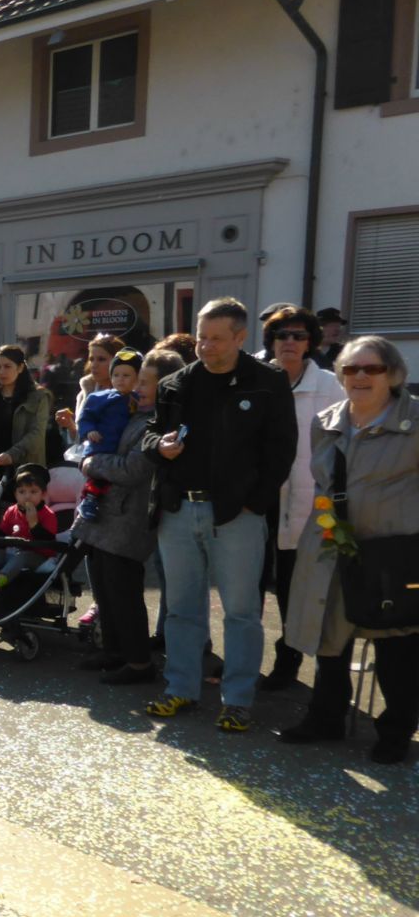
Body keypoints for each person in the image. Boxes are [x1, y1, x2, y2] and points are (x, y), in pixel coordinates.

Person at [142, 298, 298, 731]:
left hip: (236, 515)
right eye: (201, 337)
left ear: (240, 337)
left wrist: (255, 503)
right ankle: (180, 688)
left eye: (216, 339)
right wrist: (159, 447)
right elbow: (150, 433)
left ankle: (238, 700)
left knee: (241, 612)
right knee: (181, 610)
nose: (205, 347)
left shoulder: (268, 382)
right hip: (178, 510)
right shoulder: (176, 383)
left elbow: (282, 449)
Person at [277, 337, 418, 765]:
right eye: (351, 369)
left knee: (396, 644)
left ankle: (396, 731)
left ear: (392, 374)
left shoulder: (415, 420)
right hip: (330, 546)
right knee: (329, 638)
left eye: (371, 369)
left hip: (394, 554)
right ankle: (326, 716)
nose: (359, 376)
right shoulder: (327, 421)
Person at [72, 350, 177, 684]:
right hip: (106, 515)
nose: (138, 387)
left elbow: (132, 469)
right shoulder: (131, 411)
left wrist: (91, 463)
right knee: (104, 588)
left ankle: (139, 663)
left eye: (145, 382)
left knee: (124, 592)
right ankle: (114, 650)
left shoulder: (157, 422)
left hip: (129, 518)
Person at [257, 306, 342, 691]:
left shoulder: (329, 385)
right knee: (249, 586)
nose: (289, 342)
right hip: (259, 498)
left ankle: (288, 661)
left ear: (311, 342)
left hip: (306, 503)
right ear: (271, 341)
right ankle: (245, 659)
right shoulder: (257, 379)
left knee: (293, 589)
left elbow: (341, 444)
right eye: (282, 335)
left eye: (298, 336)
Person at [0, 464, 58, 601]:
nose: (27, 496)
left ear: (43, 494)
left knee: (23, 556)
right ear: (15, 494)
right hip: (14, 552)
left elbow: (48, 540)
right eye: (22, 492)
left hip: (38, 557)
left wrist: (34, 524)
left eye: (33, 492)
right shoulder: (12, 511)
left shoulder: (48, 514)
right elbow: (3, 530)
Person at [73, 349, 140, 522]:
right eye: (116, 375)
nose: (120, 379)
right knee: (98, 479)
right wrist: (89, 431)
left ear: (137, 378)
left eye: (126, 375)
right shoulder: (99, 398)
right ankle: (88, 501)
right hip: (101, 445)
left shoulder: (138, 400)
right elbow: (85, 418)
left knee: (115, 482)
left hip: (122, 449)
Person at [0, 344, 53, 472]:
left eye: (7, 366)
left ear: (20, 368)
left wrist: (12, 454)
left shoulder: (38, 397)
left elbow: (37, 434)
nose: (2, 371)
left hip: (23, 471)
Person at [55, 333, 122, 442]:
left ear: (117, 361)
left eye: (101, 359)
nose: (94, 365)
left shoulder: (128, 394)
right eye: (91, 359)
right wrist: (70, 425)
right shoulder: (86, 392)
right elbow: (80, 440)